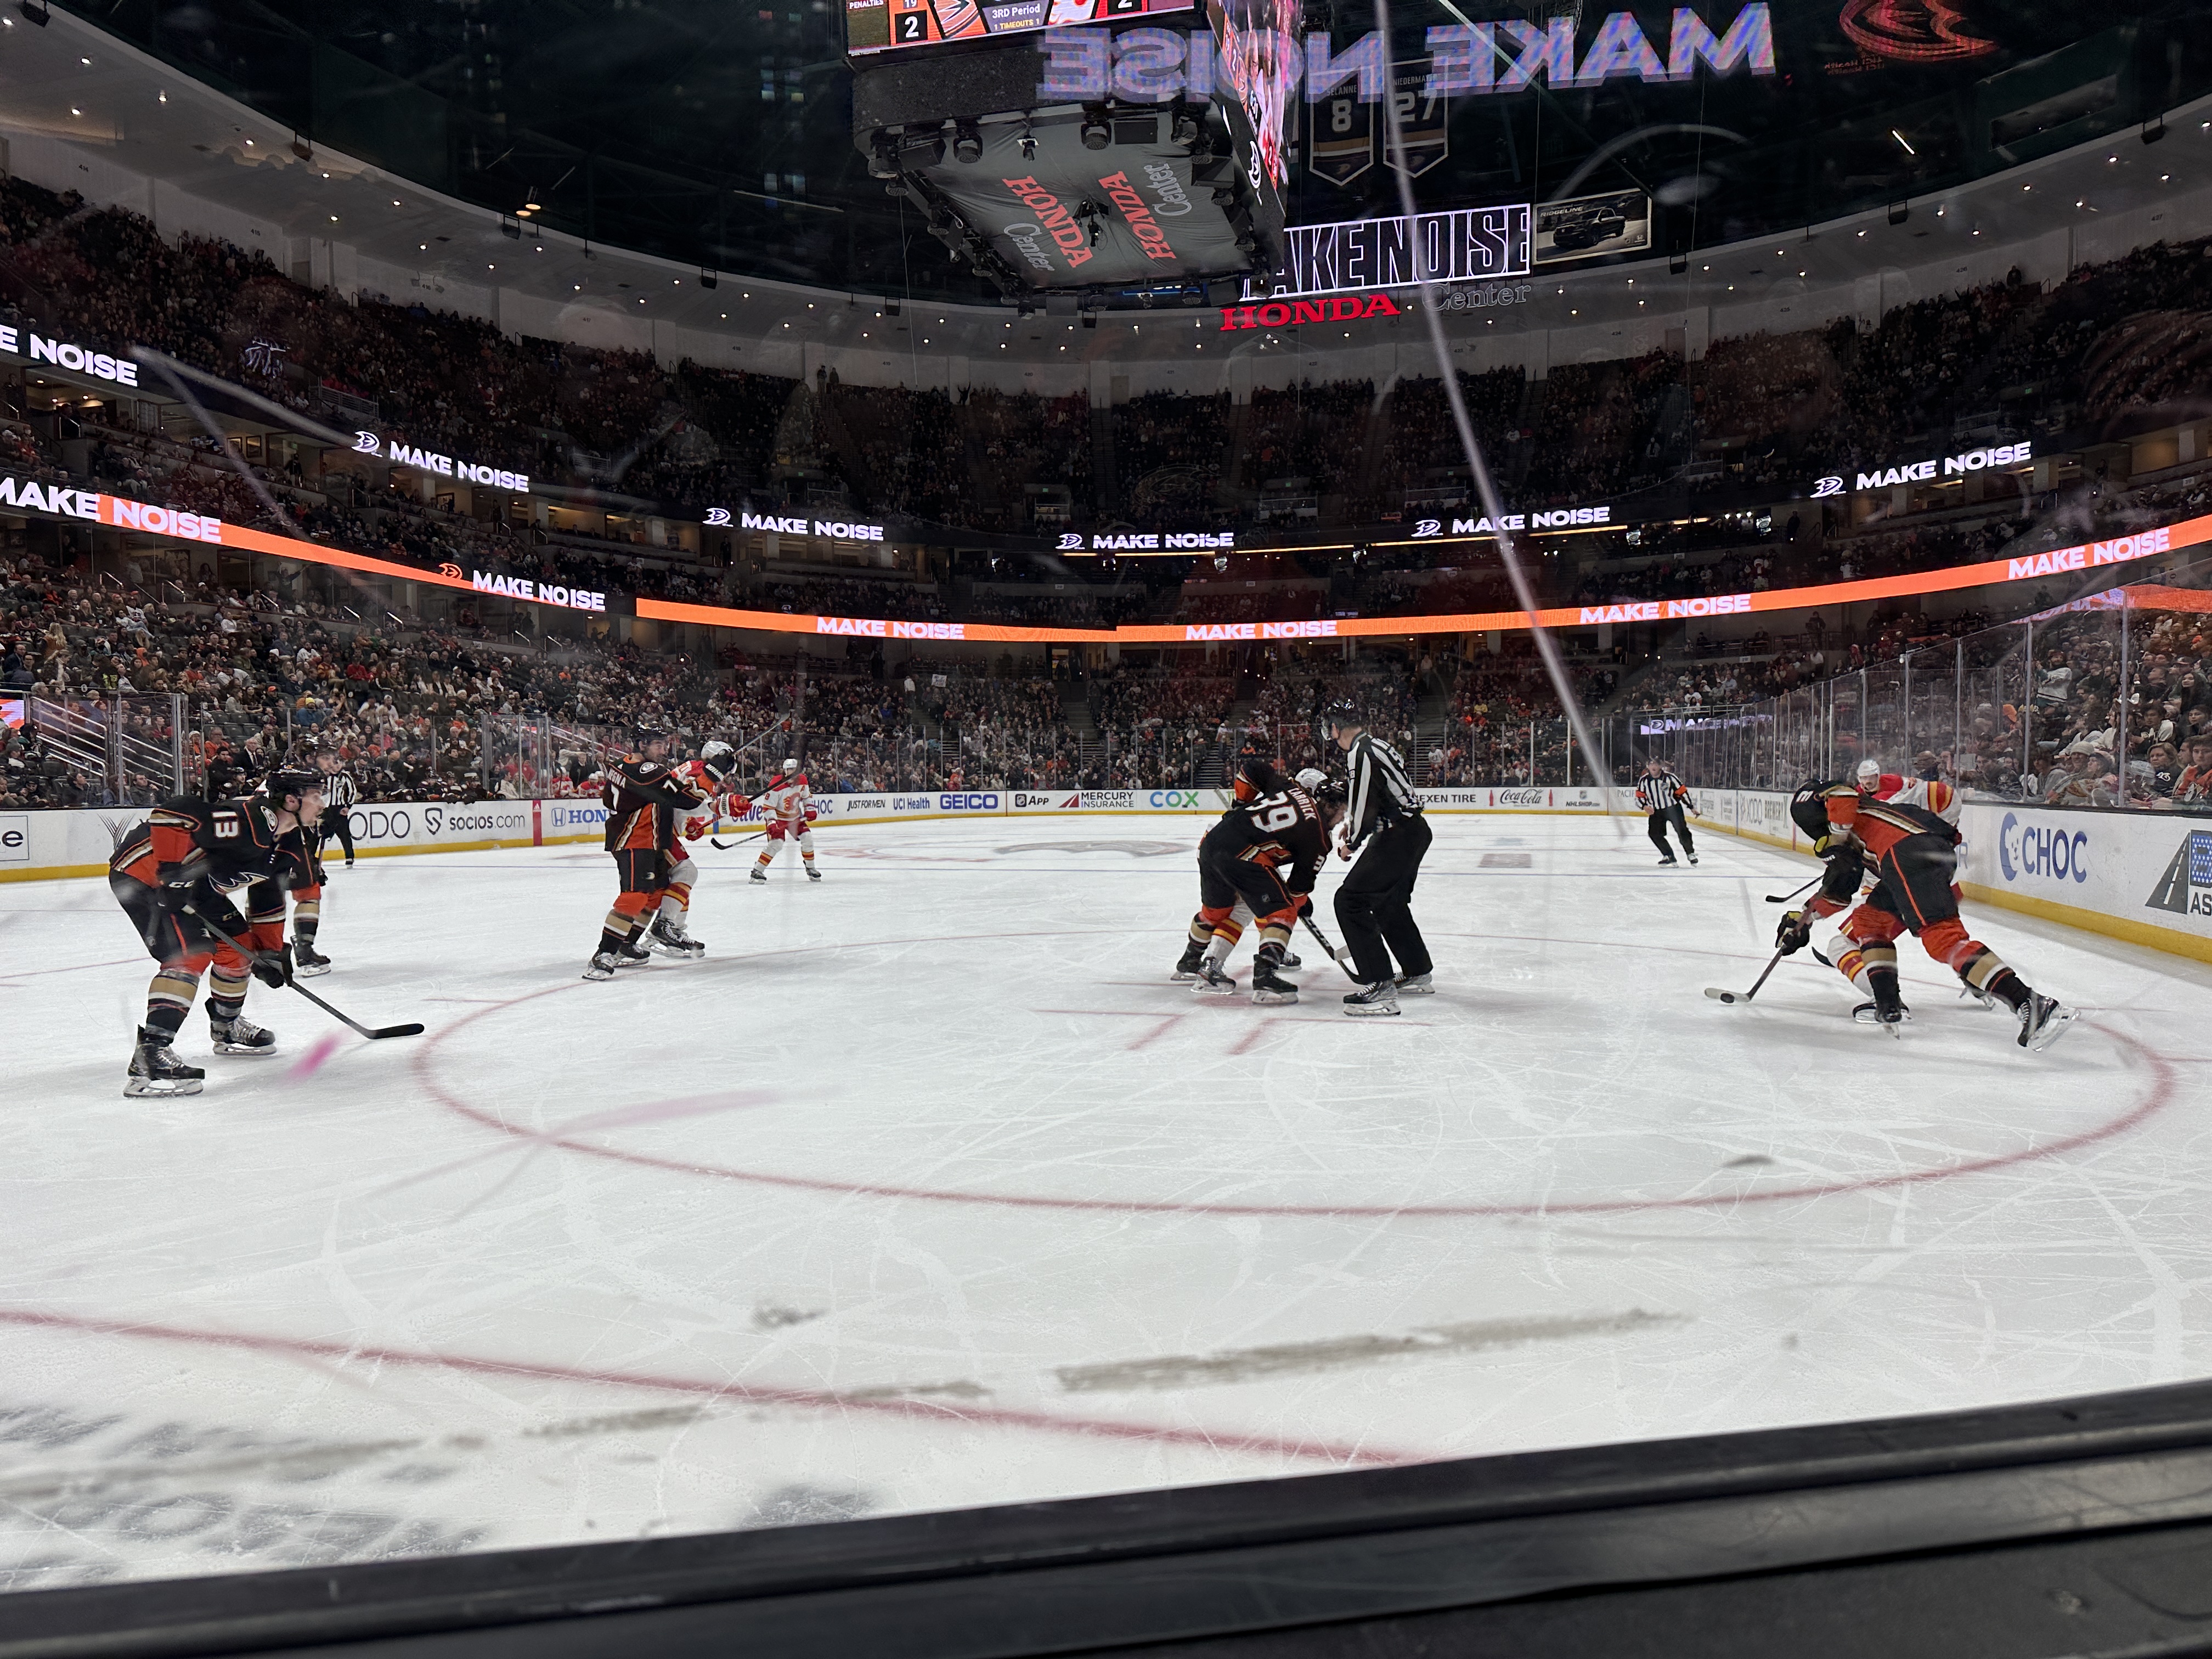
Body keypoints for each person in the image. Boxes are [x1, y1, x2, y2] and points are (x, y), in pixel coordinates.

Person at [1775, 776, 2074, 1049]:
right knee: (1870, 921)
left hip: (1906, 856)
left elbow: (1840, 796)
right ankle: (1887, 1003)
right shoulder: (1871, 819)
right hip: (1920, 856)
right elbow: (1843, 886)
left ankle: (2031, 1003)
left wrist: (1837, 841)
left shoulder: (1847, 815)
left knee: (1942, 941)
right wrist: (1805, 918)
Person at [108, 767, 323, 1096]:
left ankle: (226, 1026)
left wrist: (268, 952)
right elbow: (174, 813)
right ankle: (150, 1054)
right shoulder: (249, 819)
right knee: (190, 953)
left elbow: (266, 897)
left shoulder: (290, 841)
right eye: (316, 796)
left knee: (239, 951)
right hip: (144, 875)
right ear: (292, 801)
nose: (323, 804)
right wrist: (171, 872)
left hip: (196, 888)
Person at [1175, 758, 1338, 1004]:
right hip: (1242, 852)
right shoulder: (1314, 827)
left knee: (1217, 911)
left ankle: (1191, 960)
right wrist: (1299, 899)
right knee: (1274, 910)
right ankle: (1266, 965)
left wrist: (1240, 803)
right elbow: (1293, 893)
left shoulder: (1285, 788)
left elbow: (1251, 768)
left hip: (1214, 842)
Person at [1324, 699, 1431, 1017]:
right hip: (1414, 831)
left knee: (1350, 901)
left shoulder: (1360, 752)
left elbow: (1364, 807)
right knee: (1388, 903)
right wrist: (1355, 828)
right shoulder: (1376, 745)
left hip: (1396, 837)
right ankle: (1417, 971)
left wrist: (1352, 842)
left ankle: (1381, 987)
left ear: (1335, 728)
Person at [584, 726, 713, 980]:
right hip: (635, 838)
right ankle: (603, 954)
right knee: (634, 896)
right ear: (641, 745)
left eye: (665, 744)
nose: (664, 750)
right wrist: (713, 773)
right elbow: (687, 800)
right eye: (657, 744)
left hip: (650, 839)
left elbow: (661, 802)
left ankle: (626, 944)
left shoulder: (626, 765)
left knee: (654, 896)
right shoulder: (646, 770)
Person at [649, 739, 750, 956]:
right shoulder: (701, 773)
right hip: (656, 829)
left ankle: (673, 931)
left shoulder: (696, 769)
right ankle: (664, 927)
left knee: (681, 880)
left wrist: (690, 825)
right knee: (686, 872)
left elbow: (680, 802)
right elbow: (689, 801)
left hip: (663, 825)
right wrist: (721, 806)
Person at [751, 758, 821, 882]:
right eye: (790, 770)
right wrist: (772, 823)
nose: (793, 773)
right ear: (785, 771)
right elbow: (768, 808)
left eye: (795, 770)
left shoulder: (803, 780)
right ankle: (757, 871)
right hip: (778, 818)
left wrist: (810, 808)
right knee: (776, 843)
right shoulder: (776, 784)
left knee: (807, 838)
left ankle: (811, 869)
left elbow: (806, 797)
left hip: (795, 817)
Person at [1635, 757, 1698, 866]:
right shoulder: (1644, 780)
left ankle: (1690, 853)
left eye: (1656, 764)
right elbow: (1639, 796)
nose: (1653, 767)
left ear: (1660, 766)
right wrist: (1644, 806)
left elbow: (1682, 792)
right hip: (1656, 811)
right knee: (1654, 834)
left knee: (1682, 830)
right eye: (1651, 764)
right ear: (1648, 767)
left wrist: (1691, 807)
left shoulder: (1670, 778)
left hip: (1673, 809)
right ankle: (1669, 855)